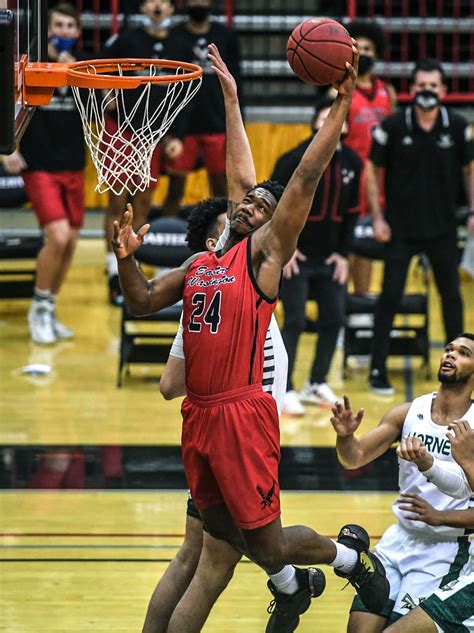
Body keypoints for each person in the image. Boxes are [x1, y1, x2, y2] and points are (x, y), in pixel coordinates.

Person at [113, 42, 390, 633]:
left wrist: (342, 106)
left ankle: (349, 561)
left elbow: (307, 174)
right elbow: (138, 301)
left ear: (274, 228)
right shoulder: (202, 263)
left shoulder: (263, 258)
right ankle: (300, 582)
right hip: (199, 416)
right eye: (247, 200)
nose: (251, 203)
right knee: (229, 546)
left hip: (242, 415)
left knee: (253, 549)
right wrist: (125, 260)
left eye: (264, 204)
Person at [143, 197, 293, 633]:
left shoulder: (243, 278)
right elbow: (170, 384)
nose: (257, 232)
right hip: (237, 438)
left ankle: (290, 585)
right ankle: (314, 574)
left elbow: (246, 186)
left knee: (192, 558)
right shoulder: (215, 288)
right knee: (214, 568)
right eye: (240, 222)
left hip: (223, 435)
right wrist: (219, 380)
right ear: (215, 242)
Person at [330, 332, 474, 632]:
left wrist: (439, 517)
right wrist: (345, 437)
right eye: (448, 349)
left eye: (463, 353)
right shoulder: (409, 412)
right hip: (396, 542)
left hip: (444, 550)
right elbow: (354, 457)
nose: (450, 355)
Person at [366, 58, 474, 395]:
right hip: (400, 229)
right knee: (389, 297)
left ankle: (461, 373)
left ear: (443, 90)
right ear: (411, 90)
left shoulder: (458, 126)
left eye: (433, 86)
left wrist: (472, 211)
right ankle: (377, 368)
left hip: (443, 229)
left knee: (452, 299)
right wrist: (377, 217)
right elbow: (372, 170)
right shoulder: (394, 126)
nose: (427, 91)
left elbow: (470, 169)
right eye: (421, 86)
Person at [1, 3, 87, 344]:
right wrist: (10, 148)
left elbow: (109, 106)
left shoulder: (81, 66)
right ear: (48, 29)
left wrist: (77, 76)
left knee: (71, 243)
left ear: (77, 32)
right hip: (39, 165)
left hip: (73, 164)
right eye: (59, 25)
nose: (64, 31)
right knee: (59, 236)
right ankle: (37, 307)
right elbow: (9, 104)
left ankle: (49, 308)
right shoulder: (31, 64)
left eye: (70, 26)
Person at [271, 97, 362, 415]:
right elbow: (272, 207)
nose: (332, 125)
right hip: (296, 256)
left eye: (338, 120)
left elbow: (352, 215)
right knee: (294, 321)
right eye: (325, 119)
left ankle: (316, 381)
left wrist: (343, 254)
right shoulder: (292, 159)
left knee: (334, 318)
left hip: (330, 259)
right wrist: (284, 250)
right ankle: (285, 387)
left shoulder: (353, 162)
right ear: (313, 124)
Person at [100, 0, 182, 305]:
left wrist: (175, 134)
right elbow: (100, 67)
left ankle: (136, 263)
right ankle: (113, 270)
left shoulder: (178, 42)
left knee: (145, 201)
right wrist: (106, 93)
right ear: (144, 7)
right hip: (122, 128)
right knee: (119, 203)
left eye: (163, 1)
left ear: (172, 9)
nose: (157, 6)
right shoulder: (127, 39)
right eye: (151, 1)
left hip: (154, 133)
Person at [384, 421, 474, 632]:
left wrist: (440, 516)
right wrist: (427, 462)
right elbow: (463, 485)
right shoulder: (415, 411)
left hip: (445, 550)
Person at [162, 0, 242, 216]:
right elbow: (167, 85)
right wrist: (168, 130)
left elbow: (237, 84)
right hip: (182, 128)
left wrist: (236, 123)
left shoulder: (227, 36)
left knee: (221, 190)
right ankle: (167, 237)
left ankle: (225, 241)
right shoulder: (173, 36)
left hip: (217, 124)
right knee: (175, 190)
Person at [345, 20, 396, 297]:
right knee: (354, 237)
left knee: (376, 235)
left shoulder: (388, 93)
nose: (363, 52)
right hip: (352, 174)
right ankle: (355, 296)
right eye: (358, 47)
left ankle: (366, 297)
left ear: (377, 53)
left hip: (380, 174)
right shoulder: (340, 90)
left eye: (368, 48)